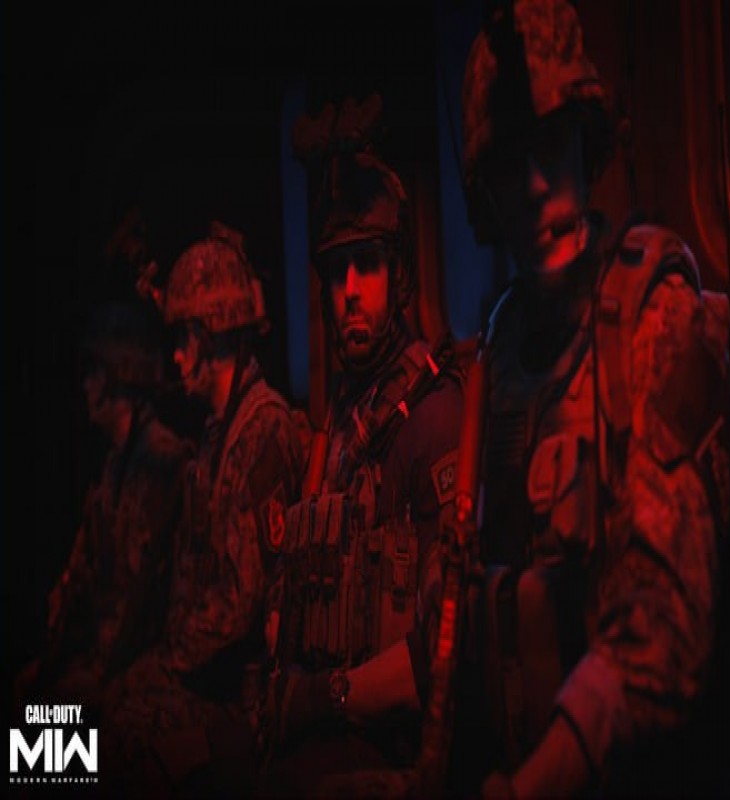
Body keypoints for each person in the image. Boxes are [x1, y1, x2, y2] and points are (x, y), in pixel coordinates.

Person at [452, 0, 730, 796]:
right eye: (509, 164)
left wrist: (534, 784)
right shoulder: (501, 350)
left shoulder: (654, 314)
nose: (534, 186)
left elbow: (663, 626)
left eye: (550, 146)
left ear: (587, 145)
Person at [250, 97, 464, 798]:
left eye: (366, 266)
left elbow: (444, 648)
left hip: (386, 752)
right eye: (336, 271)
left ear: (397, 277)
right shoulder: (340, 424)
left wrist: (324, 698)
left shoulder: (431, 419)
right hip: (324, 738)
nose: (348, 291)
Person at [103, 222, 304, 798]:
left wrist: (162, 663)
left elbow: (238, 605)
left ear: (209, 336)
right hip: (207, 682)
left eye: (183, 338)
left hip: (242, 702)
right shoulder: (219, 434)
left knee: (104, 733)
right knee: (73, 721)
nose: (175, 355)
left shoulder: (262, 430)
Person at [12, 300, 192, 720]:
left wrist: (97, 682)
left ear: (118, 374)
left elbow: (143, 602)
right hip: (106, 662)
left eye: (94, 372)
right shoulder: (116, 464)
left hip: (137, 673)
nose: (86, 385)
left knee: (41, 724)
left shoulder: (161, 461)